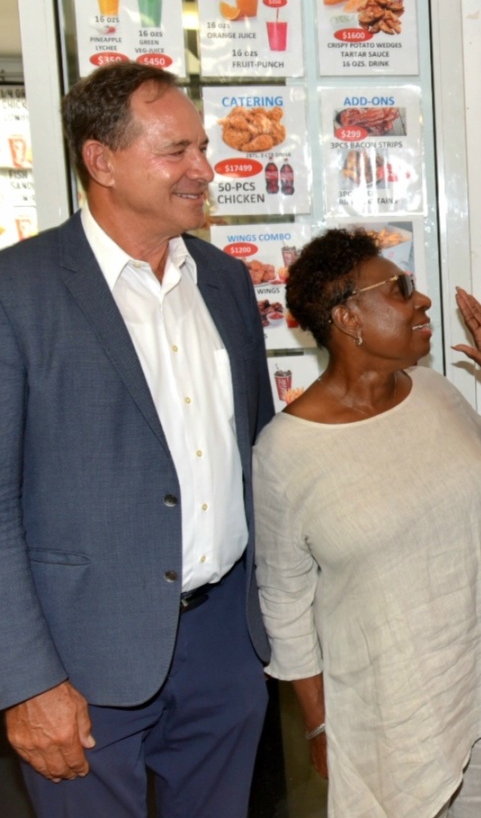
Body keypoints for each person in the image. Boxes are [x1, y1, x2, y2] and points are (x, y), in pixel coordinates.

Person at [0, 62, 274, 816]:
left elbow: (255, 448)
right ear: (102, 161)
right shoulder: (17, 291)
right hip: (78, 659)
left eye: (203, 148)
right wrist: (25, 680)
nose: (204, 170)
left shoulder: (224, 282)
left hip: (224, 643)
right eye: (176, 151)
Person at [253, 227, 481, 818]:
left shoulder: (433, 390)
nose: (422, 300)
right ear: (349, 317)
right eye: (400, 288)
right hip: (391, 713)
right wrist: (319, 728)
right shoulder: (284, 451)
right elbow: (285, 603)